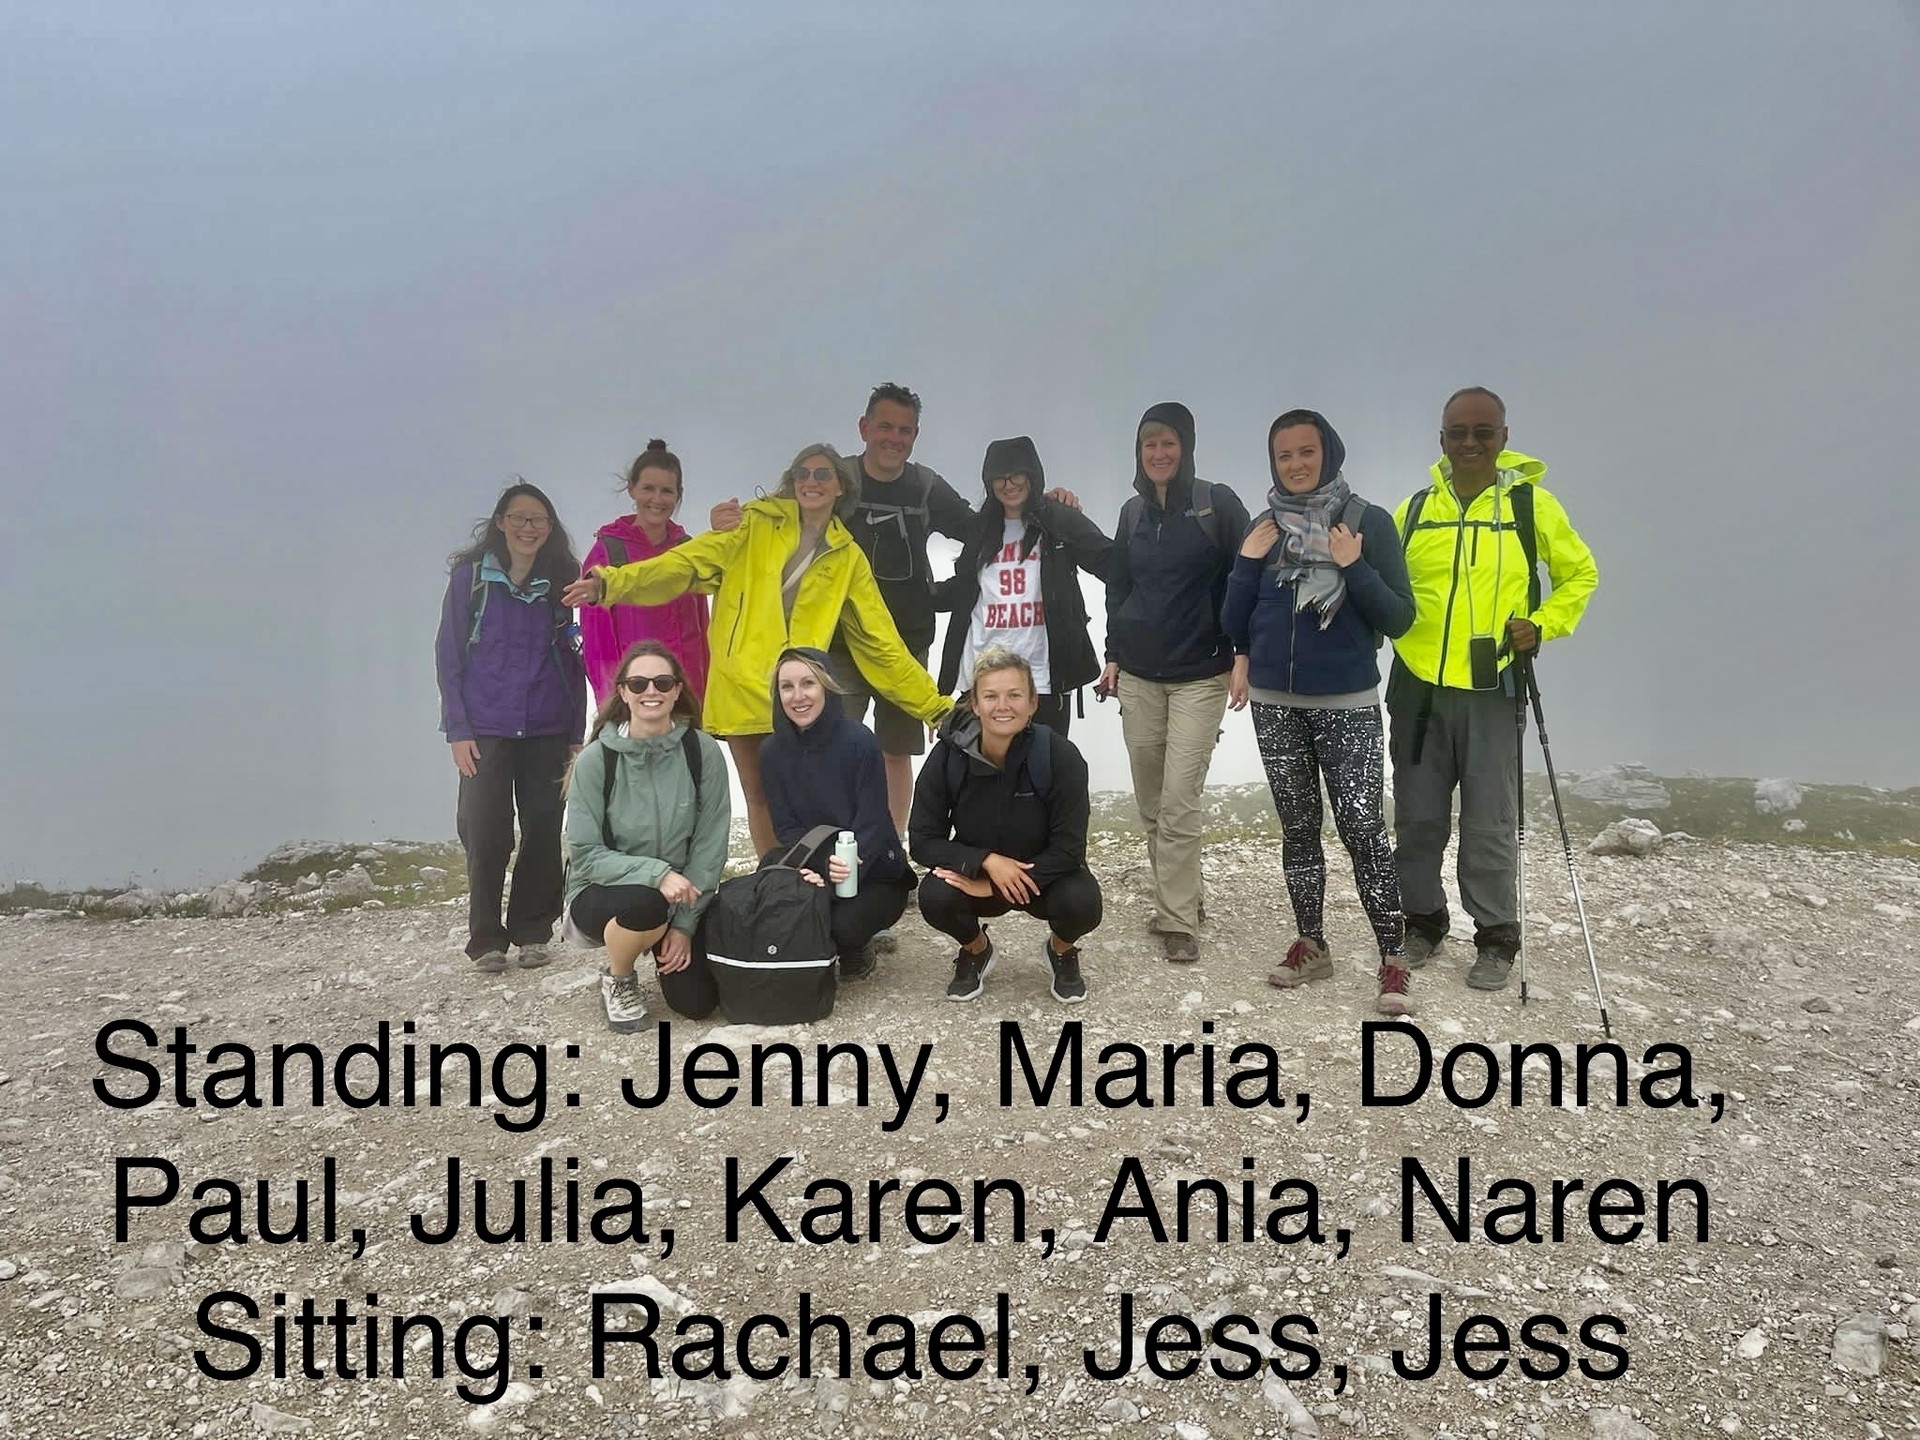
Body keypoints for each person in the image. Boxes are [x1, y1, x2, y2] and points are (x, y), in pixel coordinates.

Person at [708, 384, 1081, 836]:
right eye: (885, 426)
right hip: (835, 645)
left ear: (916, 435)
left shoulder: (925, 487)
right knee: (828, 749)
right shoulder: (836, 478)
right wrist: (728, 523)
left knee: (895, 752)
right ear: (863, 428)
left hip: (906, 642)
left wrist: (1046, 506)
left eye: (905, 430)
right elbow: (781, 516)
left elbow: (985, 529)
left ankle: (889, 847)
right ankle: (833, 850)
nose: (894, 438)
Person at [562, 444, 951, 857]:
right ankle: (774, 884)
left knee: (805, 796)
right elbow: (684, 565)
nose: (811, 482)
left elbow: (881, 642)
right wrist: (610, 583)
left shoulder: (847, 556)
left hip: (796, 694)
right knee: (760, 798)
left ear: (841, 485)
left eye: (823, 474)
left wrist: (935, 706)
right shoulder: (752, 524)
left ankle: (810, 882)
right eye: (802, 473)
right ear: (792, 481)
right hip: (741, 686)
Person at [1388, 387, 1599, 991]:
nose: (1470, 442)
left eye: (1484, 431)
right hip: (1417, 687)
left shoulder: (1532, 505)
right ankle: (1422, 922)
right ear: (1442, 440)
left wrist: (1542, 624)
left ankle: (1497, 935)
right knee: (1418, 817)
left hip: (1493, 685)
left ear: (1504, 437)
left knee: (1489, 819)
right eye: (1458, 432)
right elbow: (1383, 586)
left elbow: (1579, 574)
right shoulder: (1415, 510)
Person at [1223, 410, 1417, 1016]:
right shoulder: (1261, 528)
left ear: (1328, 453)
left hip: (1346, 704)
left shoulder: (1367, 522)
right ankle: (1312, 945)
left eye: (1306, 452)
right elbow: (1233, 624)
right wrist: (1245, 563)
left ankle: (1394, 959)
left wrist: (1353, 566)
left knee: (1363, 831)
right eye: (1284, 455)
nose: (1296, 465)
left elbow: (1399, 618)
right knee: (1299, 830)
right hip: (1275, 705)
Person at [1099, 401, 1249, 964]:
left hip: (1201, 676)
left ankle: (1178, 919)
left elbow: (1247, 578)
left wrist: (1244, 654)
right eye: (1149, 444)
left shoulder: (1217, 504)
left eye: (1168, 442)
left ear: (1186, 446)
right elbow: (1119, 589)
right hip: (1138, 676)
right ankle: (1184, 894)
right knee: (1151, 801)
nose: (1158, 453)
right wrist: (1113, 657)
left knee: (1180, 799)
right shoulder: (1131, 513)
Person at [435, 483, 588, 973]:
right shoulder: (470, 580)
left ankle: (532, 931)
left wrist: (576, 734)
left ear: (550, 527)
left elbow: (574, 661)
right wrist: (457, 729)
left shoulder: (561, 581)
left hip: (548, 726)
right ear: (500, 522)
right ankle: (486, 939)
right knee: (484, 830)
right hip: (485, 729)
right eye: (519, 517)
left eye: (538, 519)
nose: (528, 527)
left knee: (543, 828)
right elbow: (448, 656)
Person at [910, 647, 1102, 1005]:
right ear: (974, 704)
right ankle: (976, 949)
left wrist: (993, 887)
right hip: (978, 871)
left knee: (1083, 901)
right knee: (935, 895)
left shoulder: (1060, 756)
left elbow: (1070, 849)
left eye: (1014, 695)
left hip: (1043, 876)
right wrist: (985, 861)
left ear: (1032, 703)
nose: (1003, 706)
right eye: (990, 696)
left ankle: (1061, 950)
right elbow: (922, 840)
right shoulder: (949, 756)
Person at [563, 641, 731, 1032]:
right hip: (605, 891)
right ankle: (619, 978)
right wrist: (657, 874)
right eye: (638, 684)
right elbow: (586, 854)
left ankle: (661, 939)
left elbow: (710, 844)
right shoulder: (596, 760)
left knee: (697, 1004)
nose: (650, 691)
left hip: (681, 896)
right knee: (646, 901)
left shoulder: (702, 751)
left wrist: (685, 926)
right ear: (623, 692)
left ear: (677, 690)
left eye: (662, 683)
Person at [935, 436, 1111, 736]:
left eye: (1016, 474)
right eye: (999, 477)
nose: (1009, 484)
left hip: (1042, 682)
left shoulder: (1058, 522)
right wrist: (917, 594)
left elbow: (1112, 565)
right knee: (977, 767)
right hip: (979, 681)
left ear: (1032, 475)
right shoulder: (979, 530)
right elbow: (962, 592)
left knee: (1043, 765)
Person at [758, 647, 916, 980]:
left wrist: (844, 864)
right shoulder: (771, 752)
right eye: (787, 687)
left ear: (826, 686)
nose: (798, 696)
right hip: (815, 860)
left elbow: (873, 821)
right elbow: (786, 828)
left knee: (840, 924)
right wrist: (819, 865)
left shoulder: (859, 741)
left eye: (808, 683)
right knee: (769, 887)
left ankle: (856, 945)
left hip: (872, 869)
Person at [579, 440, 713, 707]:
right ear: (631, 489)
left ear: (678, 495)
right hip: (632, 700)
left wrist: (701, 700)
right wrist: (612, 705)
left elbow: (702, 634)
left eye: (667, 491)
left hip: (683, 698)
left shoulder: (688, 551)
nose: (657, 499)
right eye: (648, 488)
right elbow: (597, 643)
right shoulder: (607, 553)